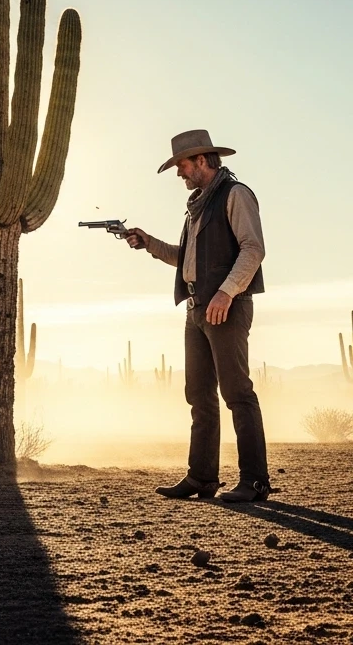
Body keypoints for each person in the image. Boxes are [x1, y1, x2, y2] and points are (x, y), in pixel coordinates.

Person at [122, 129, 271, 502]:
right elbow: (185, 258)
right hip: (196, 310)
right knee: (199, 395)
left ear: (202, 160)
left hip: (227, 307)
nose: (179, 173)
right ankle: (202, 478)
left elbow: (253, 249)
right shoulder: (197, 207)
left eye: (182, 165)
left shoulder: (236, 194)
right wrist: (148, 243)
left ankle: (255, 482)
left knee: (237, 392)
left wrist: (226, 292)